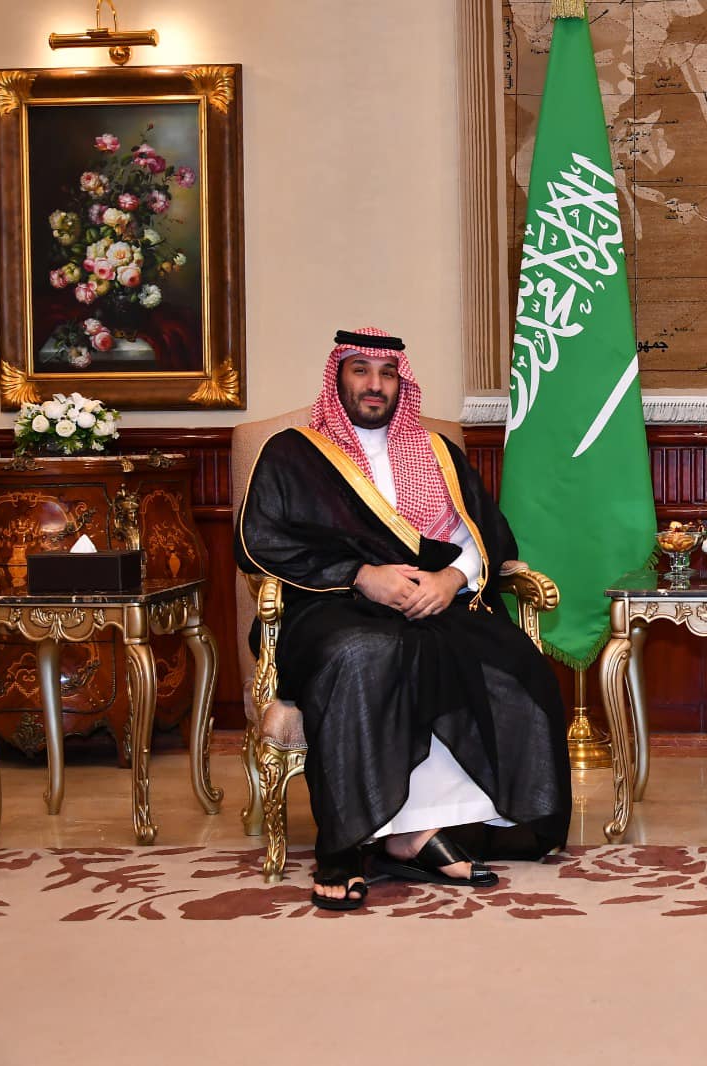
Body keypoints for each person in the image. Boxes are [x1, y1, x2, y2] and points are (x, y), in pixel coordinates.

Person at [236, 327, 571, 910]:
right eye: (360, 370)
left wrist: (451, 580)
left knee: (514, 661)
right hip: (332, 604)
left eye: (387, 374)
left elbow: (485, 535)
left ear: (401, 383)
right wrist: (361, 575)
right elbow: (260, 540)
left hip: (435, 603)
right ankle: (352, 843)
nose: (375, 384)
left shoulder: (437, 452)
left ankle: (424, 831)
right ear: (338, 377)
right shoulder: (292, 453)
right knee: (365, 653)